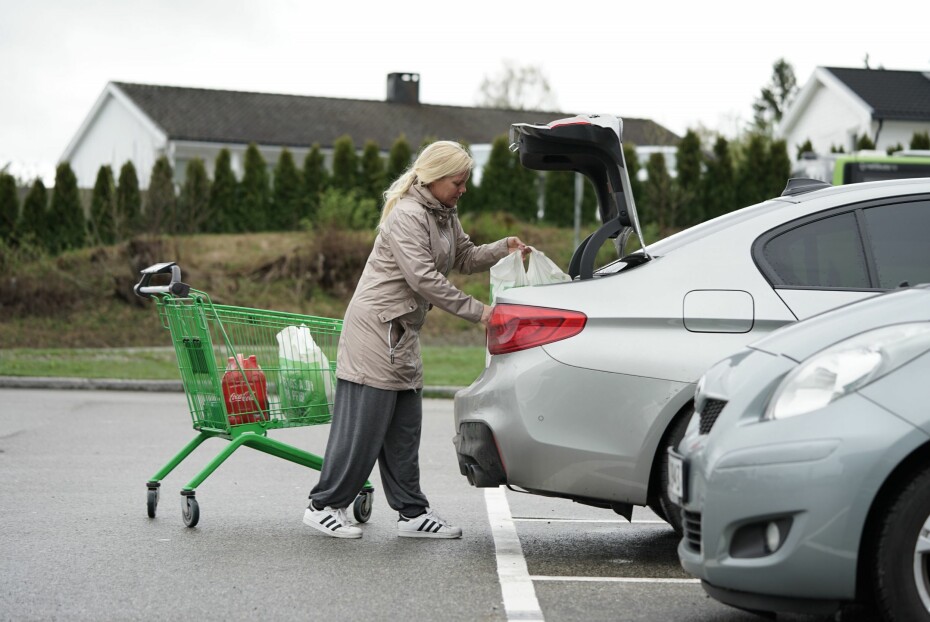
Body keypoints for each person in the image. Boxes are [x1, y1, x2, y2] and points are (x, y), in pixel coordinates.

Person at [303, 140, 528, 539]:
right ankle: (323, 505)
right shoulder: (407, 215)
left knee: (405, 428)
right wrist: (480, 312)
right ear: (435, 177)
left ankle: (411, 513)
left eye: (465, 182)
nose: (463, 189)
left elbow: (463, 257)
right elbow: (423, 278)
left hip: (403, 332)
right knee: (365, 428)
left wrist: (501, 249)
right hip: (376, 329)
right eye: (458, 181)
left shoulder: (444, 214)